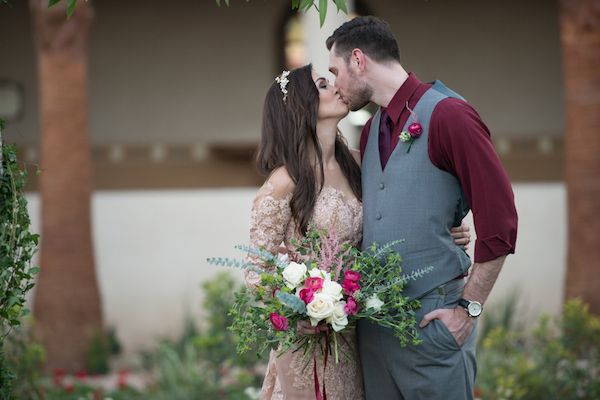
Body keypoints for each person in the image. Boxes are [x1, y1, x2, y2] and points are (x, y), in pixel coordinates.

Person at [246, 64, 472, 400]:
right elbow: (256, 274)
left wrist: (441, 231)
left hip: (360, 332)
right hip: (310, 344)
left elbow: (395, 219)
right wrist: (294, 314)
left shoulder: (360, 163)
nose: (336, 86)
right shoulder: (282, 184)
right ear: (300, 105)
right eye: (322, 85)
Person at [326, 16, 518, 400]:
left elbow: (500, 222)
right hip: (373, 332)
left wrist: (468, 309)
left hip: (433, 326)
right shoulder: (370, 130)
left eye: (335, 71)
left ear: (359, 60)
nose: (336, 85)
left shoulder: (449, 116)